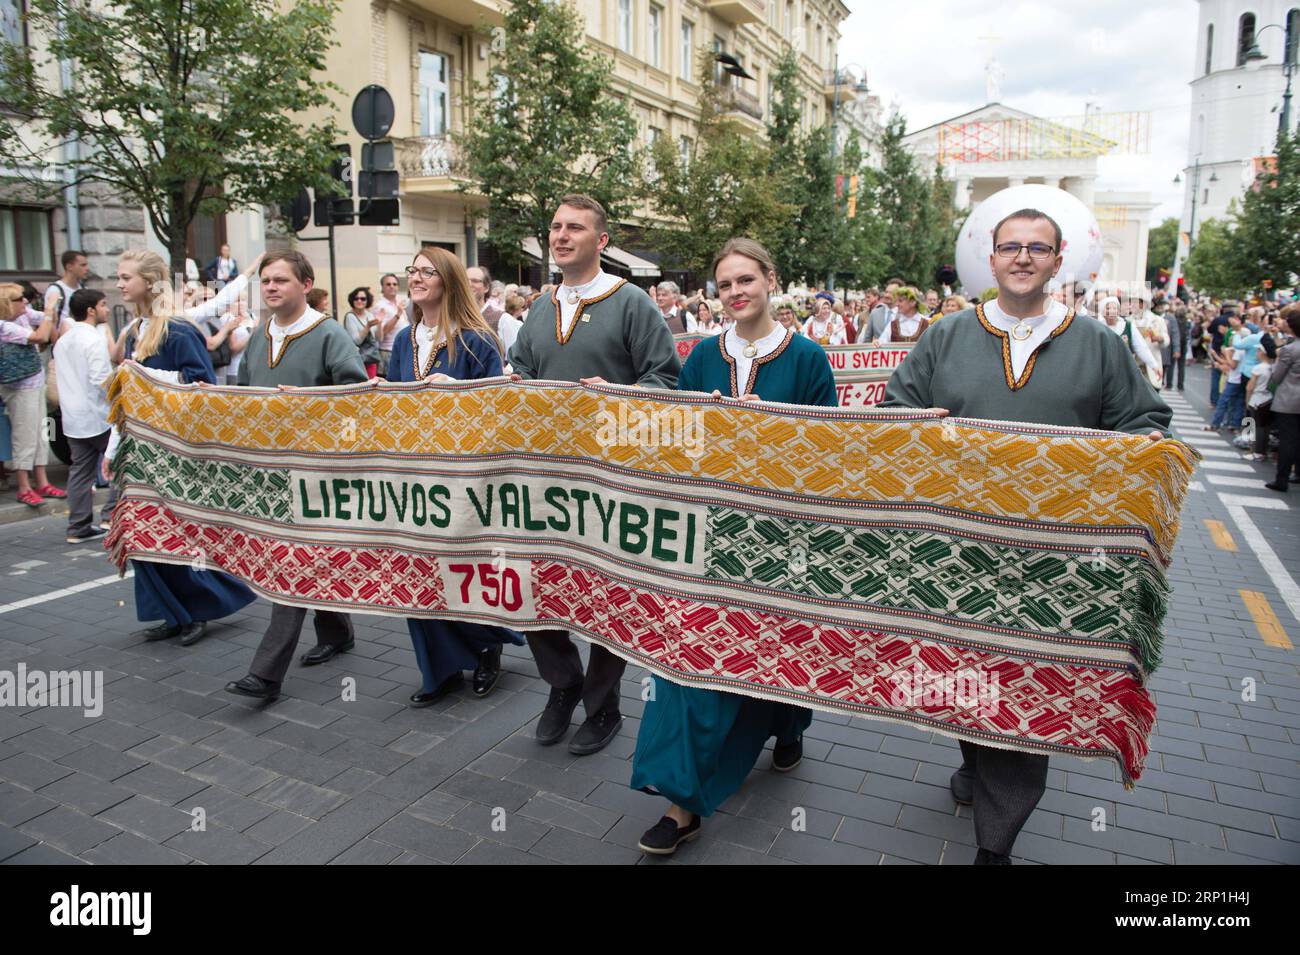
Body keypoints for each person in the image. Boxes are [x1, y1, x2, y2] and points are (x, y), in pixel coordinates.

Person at [880, 207, 1169, 865]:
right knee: (962, 675)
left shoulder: (1097, 343)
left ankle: (996, 840)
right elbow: (895, 414)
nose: (1023, 257)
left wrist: (1147, 445)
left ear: (1058, 258)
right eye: (1011, 246)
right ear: (992, 256)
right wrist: (918, 428)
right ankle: (974, 759)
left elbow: (1144, 420)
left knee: (1023, 686)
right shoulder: (946, 335)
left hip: (1052, 561)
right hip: (956, 552)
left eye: (1038, 248)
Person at [631, 237, 836, 855]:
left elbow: (831, 451)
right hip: (711, 534)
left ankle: (787, 720)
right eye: (725, 285)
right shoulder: (699, 357)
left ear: (771, 281)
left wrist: (771, 429)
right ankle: (681, 801)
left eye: (746, 280)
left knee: (772, 647)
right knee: (691, 657)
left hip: (780, 533)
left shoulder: (806, 357)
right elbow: (678, 438)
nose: (736, 292)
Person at [509, 193, 680, 756]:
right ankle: (563, 685)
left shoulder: (631, 303)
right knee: (535, 584)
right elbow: (523, 382)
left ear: (601, 241)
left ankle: (603, 705)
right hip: (543, 476)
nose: (561, 235)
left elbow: (666, 382)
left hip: (610, 477)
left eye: (575, 228)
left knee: (606, 590)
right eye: (556, 227)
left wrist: (621, 399)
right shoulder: (537, 309)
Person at [225, 251, 368, 702]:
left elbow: (356, 395)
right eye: (266, 280)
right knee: (306, 557)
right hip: (271, 467)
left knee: (292, 565)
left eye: (281, 280)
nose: (270, 287)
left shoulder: (328, 333)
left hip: (317, 469)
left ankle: (266, 674)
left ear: (305, 285)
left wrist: (308, 403)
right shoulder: (258, 336)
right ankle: (337, 630)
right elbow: (247, 391)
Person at [385, 247, 524, 704]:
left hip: (466, 475)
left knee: (464, 568)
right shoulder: (404, 339)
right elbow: (389, 405)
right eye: (413, 271)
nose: (417, 278)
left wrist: (460, 394)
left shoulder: (476, 340)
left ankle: (486, 648)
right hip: (415, 474)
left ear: (447, 281)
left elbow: (499, 409)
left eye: (427, 271)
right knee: (418, 569)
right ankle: (439, 668)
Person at [110, 249, 257, 645]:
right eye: (119, 277)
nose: (120, 284)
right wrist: (113, 450)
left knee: (178, 534)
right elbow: (127, 395)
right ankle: (170, 611)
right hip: (140, 449)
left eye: (126, 277)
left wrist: (147, 379)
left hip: (172, 450)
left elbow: (200, 384)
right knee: (142, 535)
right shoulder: (137, 330)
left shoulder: (177, 330)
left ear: (149, 281)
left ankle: (197, 608)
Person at [54, 289, 118, 544]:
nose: (108, 309)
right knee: (118, 463)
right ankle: (110, 515)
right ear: (91, 310)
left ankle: (78, 526)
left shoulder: (63, 341)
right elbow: (101, 380)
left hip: (72, 416)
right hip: (98, 415)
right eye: (103, 305)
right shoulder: (92, 340)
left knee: (80, 471)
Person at [0, 284, 62, 507]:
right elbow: (40, 335)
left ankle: (42, 481)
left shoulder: (23, 314)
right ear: (8, 303)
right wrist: (49, 310)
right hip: (18, 388)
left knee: (41, 434)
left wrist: (50, 310)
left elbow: (50, 320)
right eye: (20, 299)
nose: (25, 302)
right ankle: (24, 486)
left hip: (35, 382)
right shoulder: (3, 326)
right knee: (24, 435)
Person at [1266, 305, 1300, 492]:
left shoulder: (1289, 350)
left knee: (1288, 440)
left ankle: (1282, 479)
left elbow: (1277, 377)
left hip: (1288, 399)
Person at [374, 273, 409, 377]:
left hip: (403, 349)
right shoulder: (380, 306)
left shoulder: (399, 303)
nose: (392, 286)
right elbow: (382, 332)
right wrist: (397, 315)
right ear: (382, 288)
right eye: (388, 284)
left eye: (394, 284)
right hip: (388, 352)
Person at [343, 287, 382, 378]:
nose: (359, 301)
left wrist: (380, 323)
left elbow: (379, 338)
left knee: (371, 388)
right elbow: (356, 341)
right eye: (356, 298)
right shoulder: (350, 316)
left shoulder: (370, 315)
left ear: (367, 300)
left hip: (371, 360)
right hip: (358, 361)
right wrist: (367, 326)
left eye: (363, 299)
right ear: (352, 300)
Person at [43, 249, 90, 322]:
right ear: (69, 267)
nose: (87, 269)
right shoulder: (56, 290)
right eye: (83, 265)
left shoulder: (84, 289)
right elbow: (50, 320)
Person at [467, 266, 504, 334]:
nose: (468, 284)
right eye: (465, 280)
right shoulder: (455, 318)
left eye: (475, 281)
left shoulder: (502, 319)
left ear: (486, 287)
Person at [497, 292, 525, 358]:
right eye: (522, 307)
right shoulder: (510, 321)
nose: (522, 309)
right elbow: (512, 343)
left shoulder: (505, 318)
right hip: (512, 359)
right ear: (517, 308)